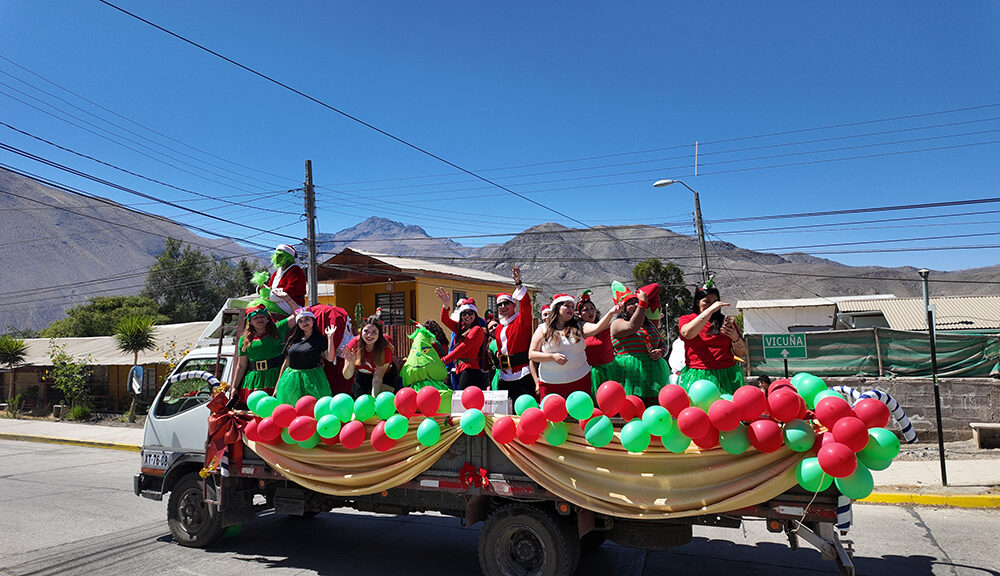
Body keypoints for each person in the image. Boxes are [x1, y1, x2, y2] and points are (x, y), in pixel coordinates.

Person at [678, 280, 747, 395]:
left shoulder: (725, 321)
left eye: (715, 302)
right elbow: (687, 334)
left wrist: (735, 337)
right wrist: (709, 310)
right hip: (699, 375)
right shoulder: (688, 319)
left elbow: (742, 353)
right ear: (697, 302)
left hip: (726, 375)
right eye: (707, 301)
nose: (712, 305)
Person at [608, 282, 671, 402]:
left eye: (636, 302)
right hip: (630, 375)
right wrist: (642, 303)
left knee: (654, 404)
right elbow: (632, 326)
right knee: (633, 404)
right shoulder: (616, 324)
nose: (635, 305)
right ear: (623, 308)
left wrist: (661, 352)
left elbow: (663, 344)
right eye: (630, 303)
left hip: (654, 373)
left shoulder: (649, 324)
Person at [529, 294, 599, 398]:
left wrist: (612, 312)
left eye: (572, 307)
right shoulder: (543, 329)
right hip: (550, 384)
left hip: (580, 380)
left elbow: (598, 327)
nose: (571, 309)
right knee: (553, 409)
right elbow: (532, 354)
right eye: (567, 306)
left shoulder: (578, 325)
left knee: (580, 408)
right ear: (557, 307)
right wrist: (552, 357)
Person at [229, 304, 290, 407]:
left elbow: (298, 314)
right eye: (255, 318)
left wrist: (287, 299)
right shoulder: (244, 339)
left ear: (267, 318)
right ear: (250, 321)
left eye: (262, 316)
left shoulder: (279, 329)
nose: (259, 319)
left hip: (276, 376)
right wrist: (234, 387)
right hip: (254, 381)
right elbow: (241, 365)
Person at [274, 308, 337, 405]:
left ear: (313, 320)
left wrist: (330, 337)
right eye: (300, 321)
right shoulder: (293, 339)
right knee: (291, 406)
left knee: (312, 407)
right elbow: (286, 363)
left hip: (313, 379)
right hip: (291, 380)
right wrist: (277, 386)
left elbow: (330, 358)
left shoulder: (320, 339)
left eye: (307, 319)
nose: (304, 323)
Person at [492, 265, 536, 400]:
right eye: (500, 305)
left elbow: (526, 303)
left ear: (513, 305)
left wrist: (518, 283)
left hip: (522, 374)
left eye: (506, 303)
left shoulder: (521, 320)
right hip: (505, 376)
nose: (503, 306)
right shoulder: (499, 328)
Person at [435, 288, 487, 390]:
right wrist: (446, 305)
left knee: (464, 398)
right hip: (460, 369)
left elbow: (462, 348)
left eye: (470, 313)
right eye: (464, 313)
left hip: (471, 371)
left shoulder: (477, 330)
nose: (467, 316)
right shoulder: (462, 328)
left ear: (475, 314)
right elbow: (444, 320)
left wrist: (443, 361)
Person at [575, 290, 623, 397]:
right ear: (579, 314)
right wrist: (611, 312)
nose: (590, 312)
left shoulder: (607, 326)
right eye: (585, 310)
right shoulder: (580, 328)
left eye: (592, 308)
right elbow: (596, 328)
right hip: (590, 374)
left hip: (611, 371)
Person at [342, 314, 395, 398]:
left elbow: (377, 378)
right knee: (361, 401)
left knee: (382, 399)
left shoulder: (385, 347)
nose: (369, 335)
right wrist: (351, 362)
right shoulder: (354, 345)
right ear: (361, 332)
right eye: (366, 331)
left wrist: (374, 399)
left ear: (379, 334)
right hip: (362, 375)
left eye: (374, 332)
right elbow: (347, 376)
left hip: (385, 375)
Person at [263, 244, 306, 314]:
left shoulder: (295, 270)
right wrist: (262, 289)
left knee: (260, 307)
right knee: (256, 306)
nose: (277, 258)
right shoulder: (277, 272)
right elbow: (270, 287)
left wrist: (271, 295)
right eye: (276, 255)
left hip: (292, 304)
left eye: (280, 255)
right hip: (278, 302)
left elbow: (291, 290)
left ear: (288, 257)